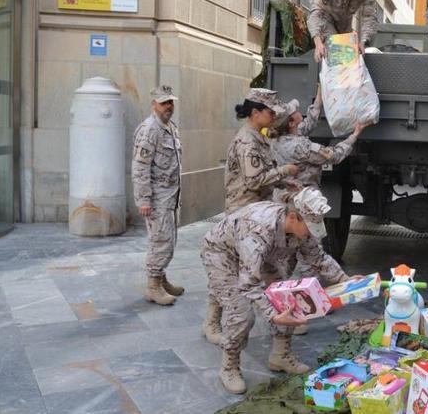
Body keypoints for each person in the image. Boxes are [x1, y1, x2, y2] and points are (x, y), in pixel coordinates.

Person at [201, 187, 353, 394]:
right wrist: (273, 315)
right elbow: (249, 283)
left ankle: (280, 356)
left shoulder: (301, 224)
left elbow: (318, 258)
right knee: (241, 313)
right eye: (310, 225)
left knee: (287, 298)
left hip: (264, 255)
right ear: (293, 217)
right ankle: (229, 366)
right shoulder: (258, 231)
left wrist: (348, 282)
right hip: (222, 254)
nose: (312, 232)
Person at [201, 88, 299, 345]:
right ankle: (212, 320)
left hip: (258, 213)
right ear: (255, 113)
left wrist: (284, 183)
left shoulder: (259, 137)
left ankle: (279, 320)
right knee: (230, 271)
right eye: (270, 112)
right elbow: (254, 180)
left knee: (265, 268)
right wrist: (284, 171)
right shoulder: (247, 140)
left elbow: (263, 176)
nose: (274, 116)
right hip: (241, 215)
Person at [132, 85, 185, 306]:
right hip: (157, 197)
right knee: (160, 240)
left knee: (168, 240)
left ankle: (161, 279)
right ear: (153, 104)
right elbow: (140, 167)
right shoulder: (149, 130)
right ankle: (153, 286)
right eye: (164, 103)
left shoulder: (170, 127)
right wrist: (144, 199)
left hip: (170, 195)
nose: (169, 107)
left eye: (170, 102)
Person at [272, 87, 369, 188]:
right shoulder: (301, 147)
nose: (297, 110)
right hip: (304, 195)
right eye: (294, 111)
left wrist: (319, 96)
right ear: (291, 123)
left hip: (287, 193)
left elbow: (309, 123)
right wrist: (355, 135)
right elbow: (334, 156)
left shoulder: (280, 139)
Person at [308, 0, 378, 62]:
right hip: (326, 15)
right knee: (337, 49)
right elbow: (317, 12)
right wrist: (318, 43)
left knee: (349, 51)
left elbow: (369, 17)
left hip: (345, 19)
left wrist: (363, 41)